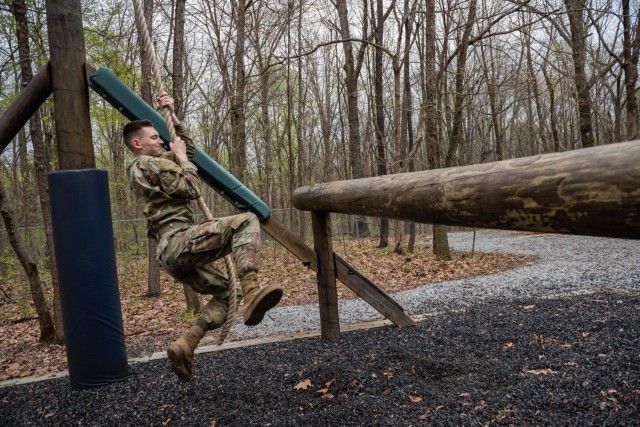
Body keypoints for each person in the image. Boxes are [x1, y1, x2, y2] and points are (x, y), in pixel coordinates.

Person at [123, 92, 283, 381]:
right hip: (178, 241)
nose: (160, 140)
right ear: (137, 144)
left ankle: (186, 344)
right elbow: (192, 186)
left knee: (226, 293)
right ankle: (251, 291)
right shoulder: (145, 164)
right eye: (153, 138)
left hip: (174, 253)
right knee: (245, 221)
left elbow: (190, 152)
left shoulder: (157, 163)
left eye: (160, 137)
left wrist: (173, 117)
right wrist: (182, 158)